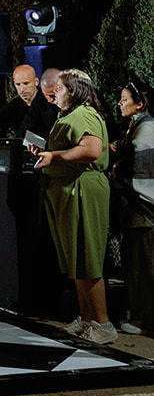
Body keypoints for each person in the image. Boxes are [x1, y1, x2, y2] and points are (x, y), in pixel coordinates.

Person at [34, 66, 115, 343]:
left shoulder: (84, 114)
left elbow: (91, 149)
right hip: (69, 190)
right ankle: (88, 318)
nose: (57, 91)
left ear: (76, 90)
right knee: (78, 257)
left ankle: (103, 324)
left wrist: (54, 156)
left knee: (88, 255)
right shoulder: (68, 115)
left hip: (84, 189)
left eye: (62, 87)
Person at [110, 77, 154, 335]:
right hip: (139, 209)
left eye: (125, 99)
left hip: (145, 210)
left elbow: (145, 174)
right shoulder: (137, 126)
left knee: (144, 264)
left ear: (139, 104)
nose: (120, 103)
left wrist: (118, 178)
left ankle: (144, 320)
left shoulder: (146, 129)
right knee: (138, 263)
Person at [0, 63, 55, 144]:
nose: (22, 89)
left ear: (36, 82)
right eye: (18, 84)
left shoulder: (49, 101)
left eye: (26, 83)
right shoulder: (15, 104)